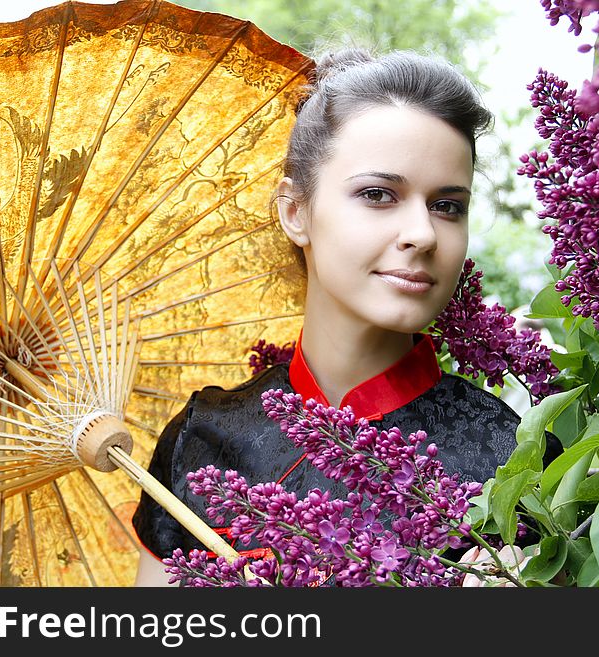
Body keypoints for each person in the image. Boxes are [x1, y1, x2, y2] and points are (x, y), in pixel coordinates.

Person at [132, 48, 559, 586]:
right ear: (296, 211)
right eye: (379, 194)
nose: (424, 234)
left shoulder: (513, 456)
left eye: (447, 205)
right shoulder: (205, 441)